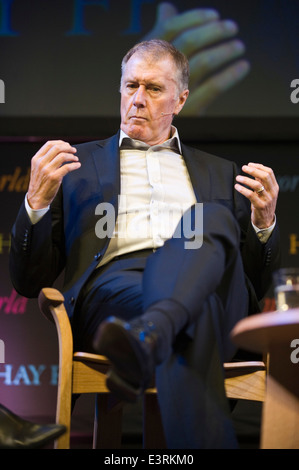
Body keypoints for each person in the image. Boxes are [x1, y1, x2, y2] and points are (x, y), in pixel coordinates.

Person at [9, 39, 280, 448]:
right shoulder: (77, 168)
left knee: (207, 219)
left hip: (209, 284)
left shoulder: (221, 174)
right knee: (197, 309)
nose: (137, 99)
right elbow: (28, 283)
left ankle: (150, 333)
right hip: (118, 289)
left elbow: (255, 284)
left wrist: (264, 224)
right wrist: (36, 203)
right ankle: (157, 327)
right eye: (130, 86)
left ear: (181, 99)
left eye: (153, 89)